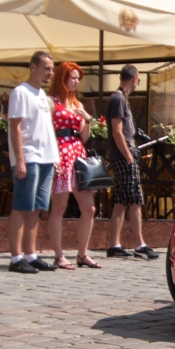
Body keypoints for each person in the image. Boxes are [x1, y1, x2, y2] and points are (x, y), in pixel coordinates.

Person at [7, 51, 60, 274]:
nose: (50, 73)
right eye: (47, 68)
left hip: (46, 157)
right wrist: (20, 159)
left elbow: (46, 129)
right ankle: (16, 257)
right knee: (22, 205)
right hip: (29, 157)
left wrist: (55, 156)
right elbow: (15, 126)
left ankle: (31, 254)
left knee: (38, 207)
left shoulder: (42, 95)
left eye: (52, 68)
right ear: (33, 67)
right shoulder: (21, 92)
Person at [47, 62, 101, 270]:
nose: (77, 81)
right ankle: (59, 255)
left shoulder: (77, 103)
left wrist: (87, 120)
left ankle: (82, 253)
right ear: (63, 78)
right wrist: (53, 156)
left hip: (77, 153)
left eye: (78, 78)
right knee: (59, 206)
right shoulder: (52, 101)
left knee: (89, 208)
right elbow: (47, 129)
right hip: (60, 152)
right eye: (73, 77)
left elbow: (84, 137)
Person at [105, 64, 159, 260]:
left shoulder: (119, 99)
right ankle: (139, 244)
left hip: (121, 155)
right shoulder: (118, 99)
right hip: (123, 156)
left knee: (121, 200)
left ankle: (114, 244)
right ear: (135, 78)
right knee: (136, 199)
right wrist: (128, 155)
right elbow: (117, 130)